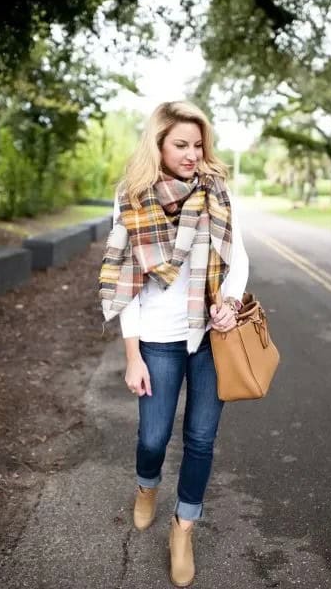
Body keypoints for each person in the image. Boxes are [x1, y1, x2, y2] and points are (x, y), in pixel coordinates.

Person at [99, 101, 249, 587]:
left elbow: (238, 257)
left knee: (202, 439)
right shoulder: (132, 196)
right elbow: (126, 282)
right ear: (158, 144)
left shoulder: (217, 189)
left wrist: (228, 299)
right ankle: (147, 487)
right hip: (158, 342)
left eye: (198, 143)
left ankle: (183, 527)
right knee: (152, 438)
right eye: (181, 144)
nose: (192, 154)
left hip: (210, 338)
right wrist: (132, 355)